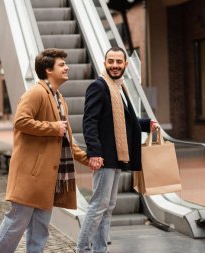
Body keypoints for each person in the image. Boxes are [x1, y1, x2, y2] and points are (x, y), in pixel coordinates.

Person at [0, 48, 89, 253]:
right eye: (61, 65)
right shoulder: (36, 93)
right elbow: (21, 121)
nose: (67, 67)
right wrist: (53, 127)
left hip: (47, 176)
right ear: (48, 70)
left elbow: (67, 139)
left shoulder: (59, 98)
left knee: (40, 227)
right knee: (17, 222)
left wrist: (88, 159)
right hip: (31, 174)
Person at [76, 46, 158, 253]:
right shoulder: (99, 86)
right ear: (105, 63)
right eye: (111, 61)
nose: (114, 65)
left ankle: (100, 249)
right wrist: (94, 153)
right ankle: (83, 249)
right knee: (98, 206)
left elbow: (125, 120)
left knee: (108, 207)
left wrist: (147, 124)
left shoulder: (120, 87)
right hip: (104, 156)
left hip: (116, 156)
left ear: (125, 65)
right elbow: (89, 122)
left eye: (118, 62)